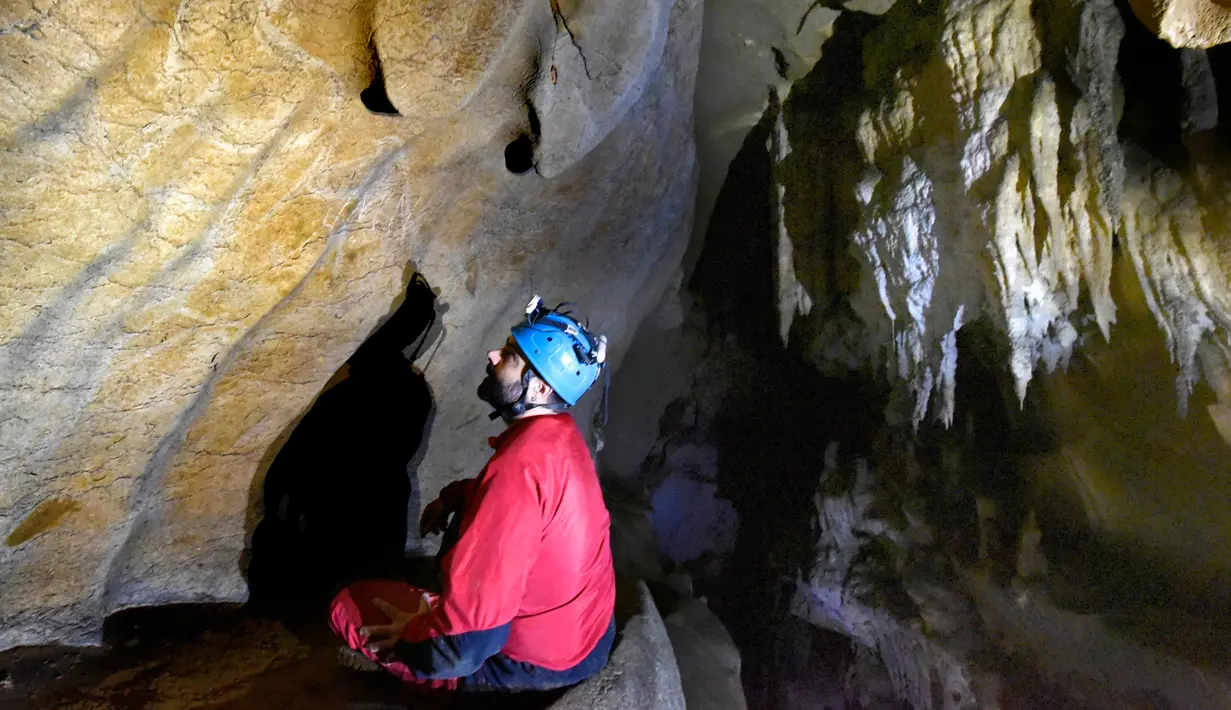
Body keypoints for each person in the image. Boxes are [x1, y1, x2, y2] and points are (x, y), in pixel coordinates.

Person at [328, 296, 617, 693]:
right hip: (588, 636)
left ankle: (424, 688)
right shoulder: (560, 438)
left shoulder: (519, 468)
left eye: (511, 356)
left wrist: (413, 637)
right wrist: (452, 497)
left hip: (532, 664)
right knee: (461, 540)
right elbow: (526, 508)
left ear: (541, 386)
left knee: (348, 603)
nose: (493, 354)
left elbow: (466, 646)